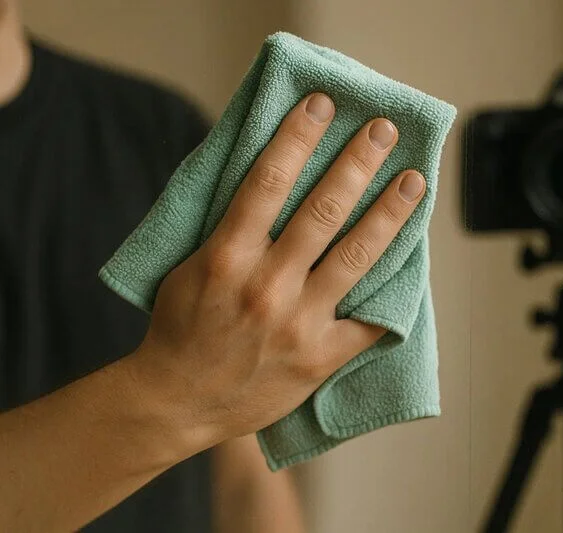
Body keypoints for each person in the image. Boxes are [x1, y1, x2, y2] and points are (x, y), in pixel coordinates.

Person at [0, 1, 426, 531]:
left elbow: (243, 475)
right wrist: (181, 391)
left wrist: (213, 397)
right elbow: (215, 401)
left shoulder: (156, 128)